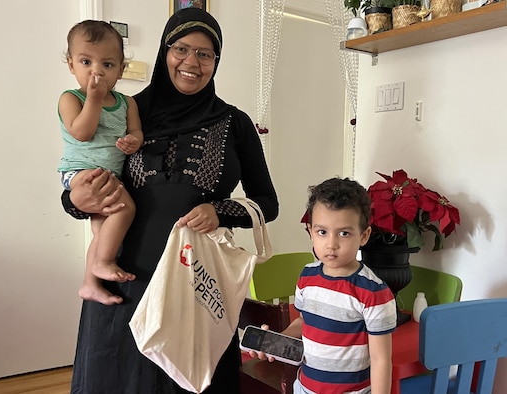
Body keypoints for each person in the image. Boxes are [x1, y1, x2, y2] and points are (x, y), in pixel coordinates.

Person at [60, 8, 279, 394]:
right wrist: (75, 198)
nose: (191, 62)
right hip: (124, 283)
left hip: (195, 287)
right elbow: (84, 179)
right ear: (165, 51)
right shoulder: (126, 110)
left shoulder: (235, 122)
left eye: (205, 54)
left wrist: (220, 210)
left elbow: (267, 202)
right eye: (181, 48)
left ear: (216, 61)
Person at [249, 177, 396, 394]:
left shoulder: (373, 292)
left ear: (364, 236)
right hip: (305, 388)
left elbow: (381, 359)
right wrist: (279, 339)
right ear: (310, 231)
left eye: (344, 233)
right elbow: (303, 320)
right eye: (322, 232)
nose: (331, 244)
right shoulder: (307, 276)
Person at [58, 20, 142, 305]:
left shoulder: (127, 103)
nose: (97, 71)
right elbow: (82, 132)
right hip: (80, 172)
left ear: (121, 69)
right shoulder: (71, 98)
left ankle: (90, 284)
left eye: (107, 64)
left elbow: (136, 131)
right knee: (125, 208)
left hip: (108, 174)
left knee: (101, 230)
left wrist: (134, 141)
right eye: (85, 61)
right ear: (71, 65)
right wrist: (93, 100)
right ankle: (103, 263)